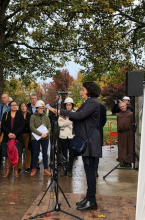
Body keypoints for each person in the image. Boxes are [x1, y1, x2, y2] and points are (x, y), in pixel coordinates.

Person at [55, 82, 101, 210]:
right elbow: (78, 117)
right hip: (88, 140)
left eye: (83, 89)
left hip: (90, 141)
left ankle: (91, 201)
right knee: (88, 170)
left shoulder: (92, 102)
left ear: (89, 91)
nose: (81, 91)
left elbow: (79, 115)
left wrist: (61, 111)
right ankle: (89, 197)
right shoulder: (88, 102)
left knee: (90, 171)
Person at [1, 101, 25, 178]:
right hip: (7, 137)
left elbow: (22, 126)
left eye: (15, 105)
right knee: (7, 154)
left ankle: (16, 170)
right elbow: (3, 125)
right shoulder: (6, 114)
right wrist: (9, 133)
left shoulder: (20, 115)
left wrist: (15, 134)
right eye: (12, 105)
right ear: (10, 106)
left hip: (17, 137)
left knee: (17, 153)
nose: (14, 106)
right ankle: (8, 170)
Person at [30, 100, 51, 177]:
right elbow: (32, 127)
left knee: (45, 153)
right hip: (36, 138)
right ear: (37, 108)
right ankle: (34, 169)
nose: (42, 109)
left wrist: (47, 133)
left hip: (45, 137)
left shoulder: (46, 117)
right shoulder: (33, 116)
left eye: (42, 108)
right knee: (35, 153)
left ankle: (46, 169)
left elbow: (49, 127)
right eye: (40, 108)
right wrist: (40, 134)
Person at [58, 97, 76, 177]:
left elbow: (75, 125)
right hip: (63, 136)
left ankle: (70, 170)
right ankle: (64, 169)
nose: (68, 106)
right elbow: (60, 124)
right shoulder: (61, 113)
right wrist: (69, 123)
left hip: (71, 136)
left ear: (72, 105)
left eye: (70, 105)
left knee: (71, 154)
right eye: (67, 105)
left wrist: (65, 122)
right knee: (64, 153)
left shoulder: (75, 113)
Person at [117, 101, 133, 167]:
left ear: (126, 106)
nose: (122, 108)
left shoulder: (131, 114)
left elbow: (134, 123)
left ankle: (128, 162)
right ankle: (122, 161)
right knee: (122, 148)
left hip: (129, 133)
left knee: (129, 147)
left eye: (123, 106)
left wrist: (131, 131)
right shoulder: (118, 115)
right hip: (121, 134)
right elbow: (118, 123)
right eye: (121, 107)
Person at [94, 103, 107, 177]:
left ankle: (95, 169)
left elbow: (104, 120)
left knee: (96, 152)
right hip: (92, 132)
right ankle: (93, 169)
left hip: (97, 131)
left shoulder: (101, 107)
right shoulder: (86, 105)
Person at [19, 102, 32, 173]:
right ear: (20, 107)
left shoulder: (30, 115)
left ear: (26, 107)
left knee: (28, 150)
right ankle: (19, 167)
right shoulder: (18, 115)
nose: (23, 107)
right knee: (19, 150)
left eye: (24, 106)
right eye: (22, 106)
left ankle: (27, 167)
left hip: (28, 134)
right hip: (20, 134)